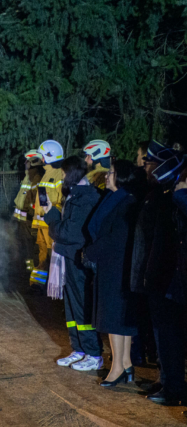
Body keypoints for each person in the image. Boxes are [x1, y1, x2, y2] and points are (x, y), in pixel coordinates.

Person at [131, 141, 187, 405]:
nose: (145, 166)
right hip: (157, 277)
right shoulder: (159, 193)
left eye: (151, 163)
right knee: (162, 337)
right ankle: (166, 380)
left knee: (170, 337)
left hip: (169, 279)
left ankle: (174, 387)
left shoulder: (172, 196)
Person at [84, 160, 142, 386]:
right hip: (115, 267)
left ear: (122, 177)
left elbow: (114, 238)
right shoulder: (120, 199)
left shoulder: (125, 202)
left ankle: (117, 367)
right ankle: (125, 363)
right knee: (119, 320)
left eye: (112, 173)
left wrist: (90, 252)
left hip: (115, 268)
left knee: (114, 319)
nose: (107, 176)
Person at [44, 155, 103, 371]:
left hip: (77, 258)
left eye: (64, 173)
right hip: (69, 257)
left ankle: (94, 353)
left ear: (72, 174)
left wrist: (51, 217)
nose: (62, 176)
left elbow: (69, 232)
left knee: (81, 306)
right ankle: (79, 349)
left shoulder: (86, 198)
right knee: (71, 306)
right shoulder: (78, 194)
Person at [31, 140, 65, 287]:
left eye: (43, 156)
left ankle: (55, 286)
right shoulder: (46, 174)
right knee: (42, 256)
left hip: (51, 224)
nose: (41, 159)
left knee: (52, 256)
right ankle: (38, 285)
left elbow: (61, 200)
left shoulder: (58, 175)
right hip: (42, 224)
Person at [13, 150, 45, 272]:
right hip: (23, 221)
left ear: (33, 162)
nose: (25, 163)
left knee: (32, 248)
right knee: (26, 247)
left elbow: (35, 201)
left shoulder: (36, 178)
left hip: (30, 221)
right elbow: (22, 199)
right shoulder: (28, 177)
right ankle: (27, 271)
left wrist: (30, 216)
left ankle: (33, 272)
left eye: (27, 160)